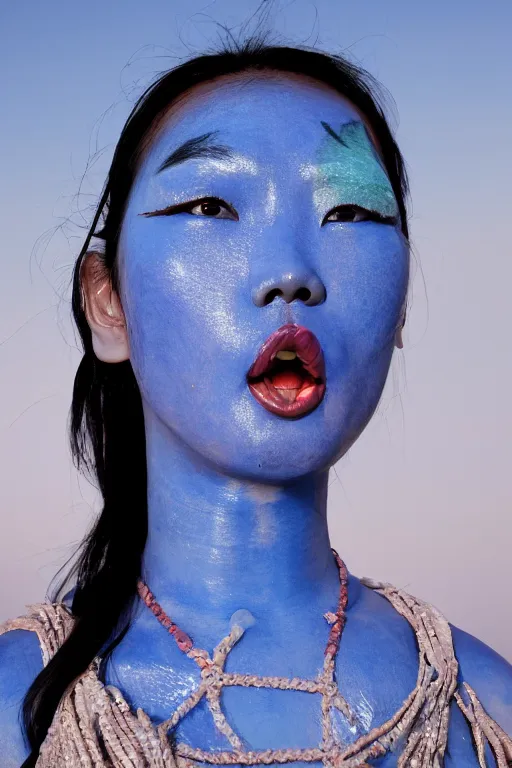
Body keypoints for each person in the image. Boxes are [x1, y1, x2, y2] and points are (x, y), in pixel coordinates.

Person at [0, 37, 510, 768]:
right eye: (211, 204)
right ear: (107, 302)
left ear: (400, 312)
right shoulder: (24, 708)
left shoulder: (482, 707)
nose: (290, 273)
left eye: (351, 212)